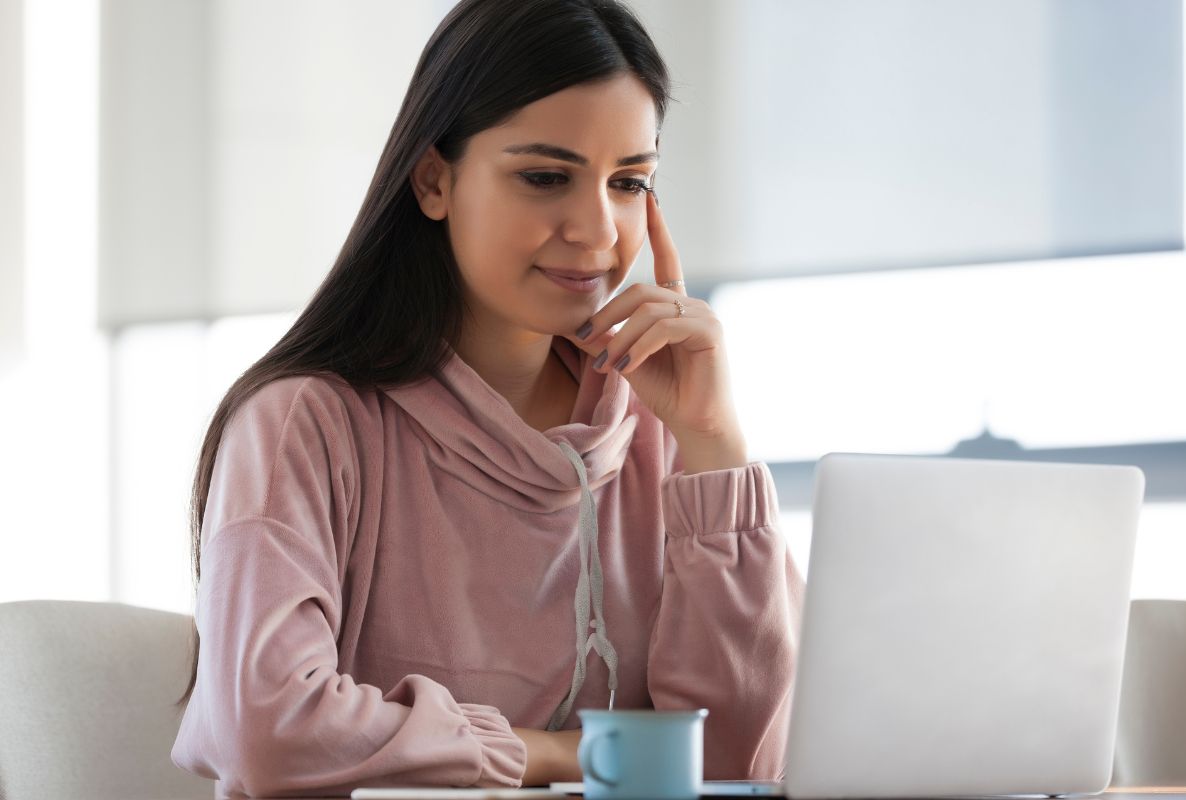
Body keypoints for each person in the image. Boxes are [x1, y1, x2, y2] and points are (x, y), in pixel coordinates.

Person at [171, 0, 804, 796]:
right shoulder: (304, 424)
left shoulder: (663, 432)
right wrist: (549, 753)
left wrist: (715, 447)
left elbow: (742, 767)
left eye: (630, 183)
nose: (599, 230)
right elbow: (266, 734)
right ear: (435, 181)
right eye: (546, 177)